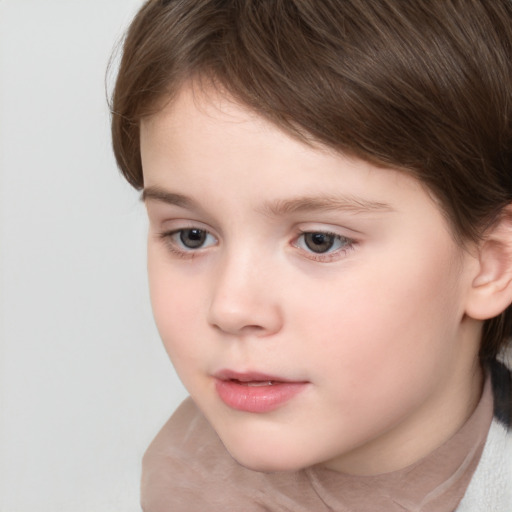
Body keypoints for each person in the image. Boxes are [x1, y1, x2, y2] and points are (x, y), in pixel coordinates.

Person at [110, 1, 512, 510]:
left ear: (492, 263)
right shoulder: (177, 479)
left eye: (319, 240)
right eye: (192, 236)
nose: (231, 308)